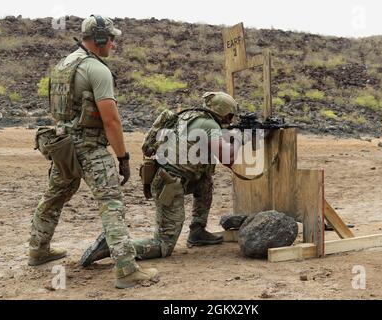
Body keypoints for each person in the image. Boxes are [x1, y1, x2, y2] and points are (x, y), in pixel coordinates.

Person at [28, 15, 158, 289]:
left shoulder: (63, 65)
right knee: (111, 203)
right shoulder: (96, 70)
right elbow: (111, 120)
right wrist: (123, 157)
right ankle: (126, 269)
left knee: (54, 196)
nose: (113, 43)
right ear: (99, 39)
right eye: (111, 38)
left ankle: (38, 249)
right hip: (89, 148)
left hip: (63, 146)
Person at [80, 92, 250, 265]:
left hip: (173, 176)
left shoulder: (189, 117)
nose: (230, 120)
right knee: (163, 245)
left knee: (205, 182)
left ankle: (197, 231)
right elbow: (227, 158)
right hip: (169, 184)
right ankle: (116, 246)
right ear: (223, 112)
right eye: (230, 116)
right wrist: (240, 139)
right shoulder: (209, 125)